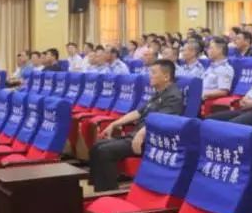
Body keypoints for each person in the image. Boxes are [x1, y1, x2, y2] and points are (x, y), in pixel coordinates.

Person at [88, 60, 184, 192]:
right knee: (96, 146)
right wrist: (114, 124)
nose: (150, 76)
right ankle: (97, 189)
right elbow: (138, 113)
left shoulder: (174, 96)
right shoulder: (159, 93)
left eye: (153, 73)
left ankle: (109, 192)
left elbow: (160, 122)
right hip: (136, 135)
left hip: (151, 140)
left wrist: (141, 134)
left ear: (166, 76)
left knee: (104, 151)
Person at [201, 37, 234, 102]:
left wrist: (201, 94)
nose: (207, 51)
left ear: (219, 50)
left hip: (207, 101)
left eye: (210, 48)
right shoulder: (211, 66)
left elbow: (223, 91)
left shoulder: (225, 69)